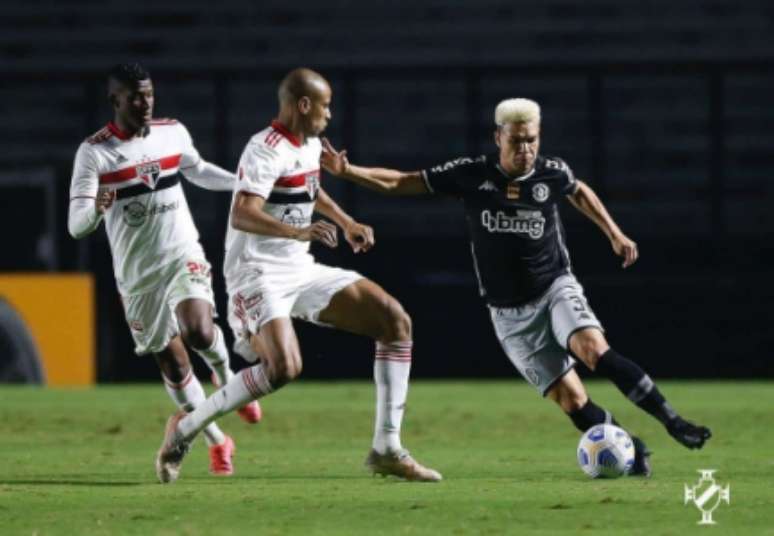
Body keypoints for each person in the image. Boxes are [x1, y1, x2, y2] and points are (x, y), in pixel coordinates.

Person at [319, 97, 712, 476]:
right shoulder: (473, 174)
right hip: (508, 314)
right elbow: (403, 182)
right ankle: (631, 445)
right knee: (572, 400)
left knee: (592, 349)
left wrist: (614, 232)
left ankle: (673, 421)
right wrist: (348, 172)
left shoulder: (551, 172)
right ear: (498, 138)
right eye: (516, 141)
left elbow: (578, 190)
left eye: (532, 140)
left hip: (554, 286)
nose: (525, 149)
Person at [154, 67, 441, 484]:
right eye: (325, 106)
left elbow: (309, 189)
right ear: (303, 105)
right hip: (256, 273)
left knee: (395, 321)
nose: (329, 114)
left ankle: (387, 448)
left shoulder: (308, 144)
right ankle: (183, 428)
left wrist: (346, 221)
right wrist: (298, 230)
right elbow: (242, 211)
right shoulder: (264, 148)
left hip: (299, 267)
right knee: (284, 367)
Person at [68, 62, 262, 477]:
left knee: (200, 331)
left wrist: (244, 185)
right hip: (138, 276)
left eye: (149, 93)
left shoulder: (172, 132)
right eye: (135, 96)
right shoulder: (95, 152)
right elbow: (75, 225)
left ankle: (230, 380)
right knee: (174, 367)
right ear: (115, 99)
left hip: (180, 252)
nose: (145, 102)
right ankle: (217, 440)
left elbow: (198, 170)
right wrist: (96, 211)